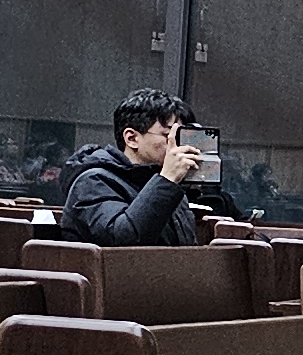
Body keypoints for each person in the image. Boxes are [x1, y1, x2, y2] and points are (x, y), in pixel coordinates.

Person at [57, 90, 212, 247]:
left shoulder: (167, 185)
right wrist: (167, 179)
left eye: (182, 137)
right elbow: (124, 241)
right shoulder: (93, 182)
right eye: (169, 136)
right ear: (132, 138)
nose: (178, 145)